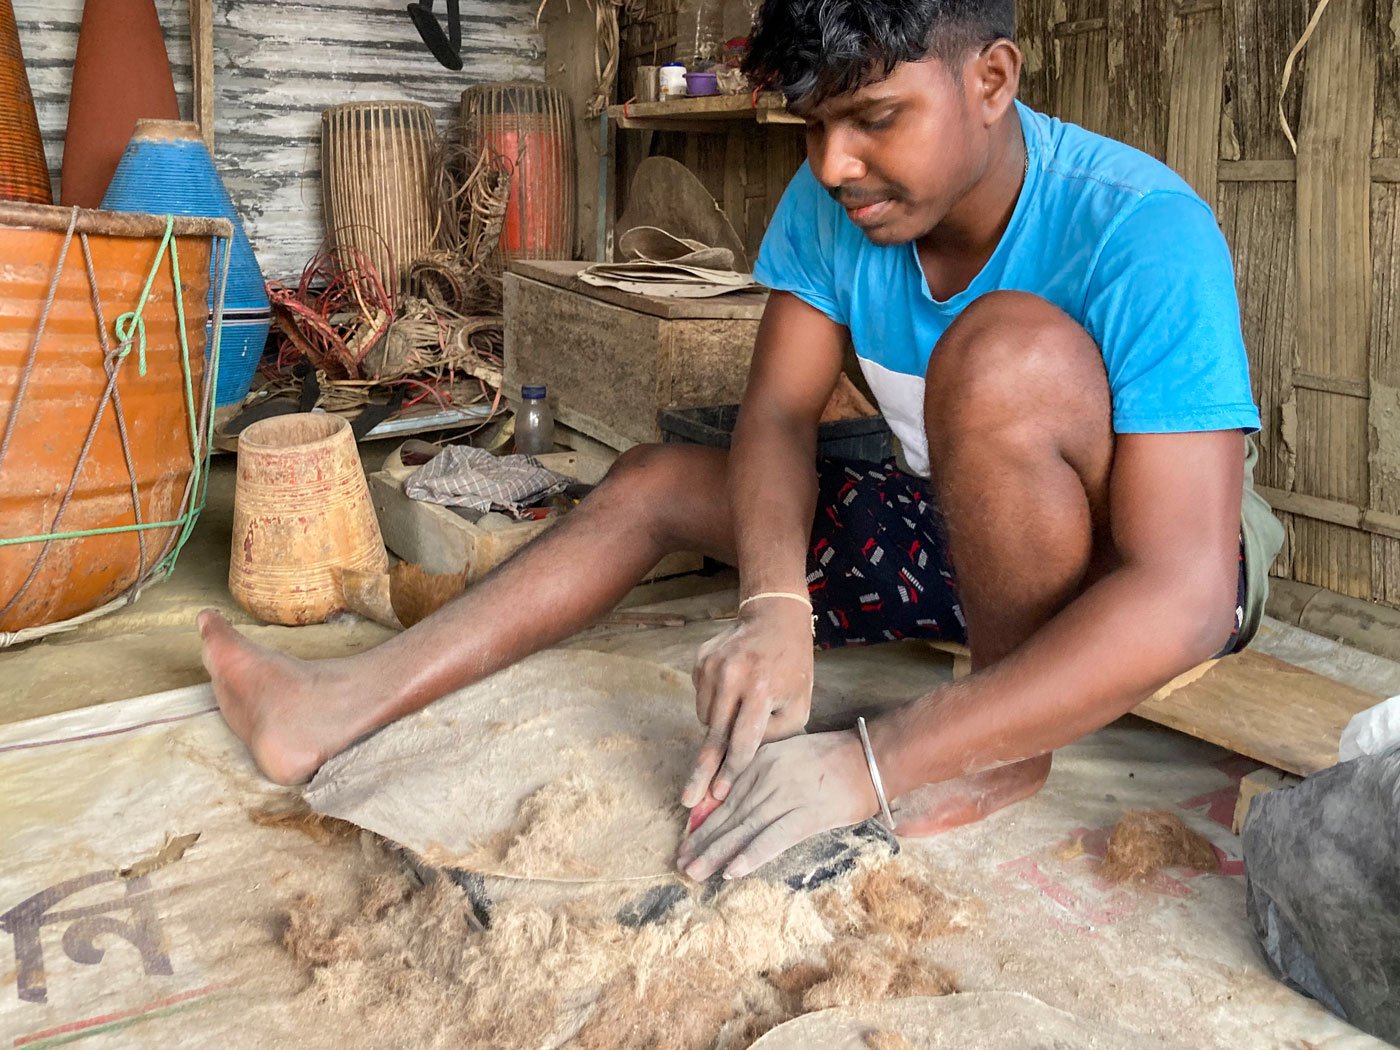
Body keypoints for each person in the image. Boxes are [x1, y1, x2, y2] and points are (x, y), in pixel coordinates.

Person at [199, 0, 1282, 884]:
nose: (834, 164)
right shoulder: (841, 204)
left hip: (1136, 576)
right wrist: (773, 608)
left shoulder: (1138, 227)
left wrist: (876, 757)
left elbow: (1182, 594)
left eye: (872, 118)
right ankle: (335, 706)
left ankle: (995, 747)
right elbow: (772, 414)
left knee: (1002, 356)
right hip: (957, 528)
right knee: (660, 478)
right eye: (812, 125)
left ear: (991, 81)